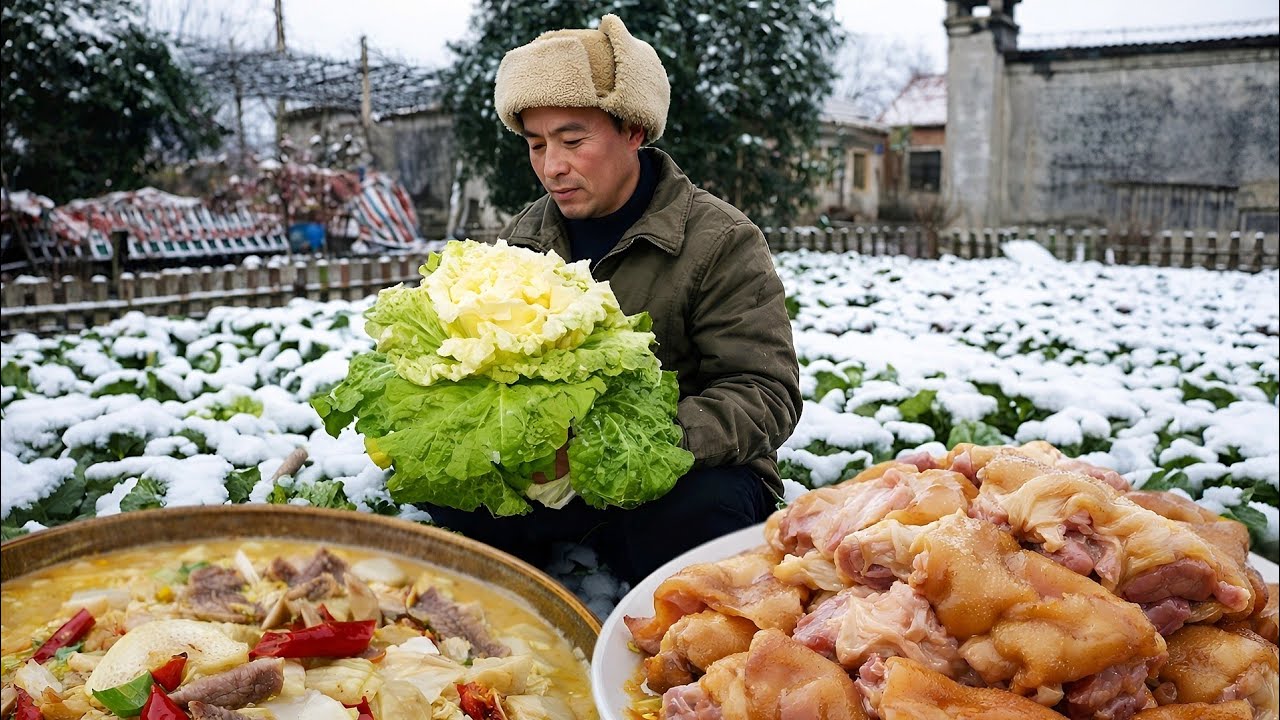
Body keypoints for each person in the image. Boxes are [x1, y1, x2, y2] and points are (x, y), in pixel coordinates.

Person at [425, 14, 802, 585]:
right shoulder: (526, 235)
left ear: (633, 131)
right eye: (536, 145)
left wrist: (624, 445)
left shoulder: (720, 240)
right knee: (446, 485)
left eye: (573, 141)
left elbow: (765, 393)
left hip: (672, 471)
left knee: (704, 510)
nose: (553, 167)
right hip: (550, 475)